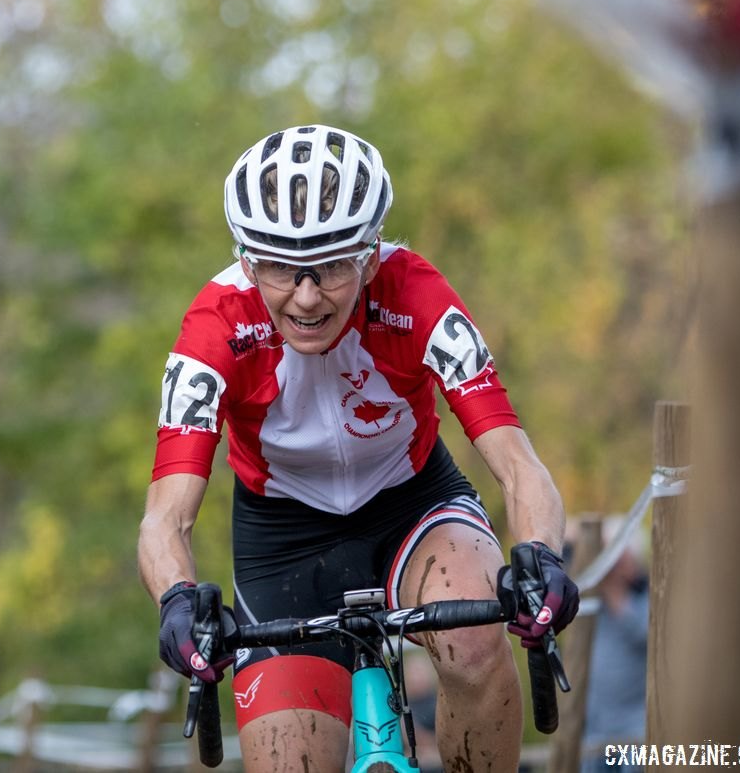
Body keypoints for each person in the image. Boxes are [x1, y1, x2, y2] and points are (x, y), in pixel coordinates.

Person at [137, 124, 580, 772]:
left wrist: (540, 553)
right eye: (283, 267)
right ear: (248, 259)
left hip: (414, 506)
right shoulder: (217, 325)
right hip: (283, 540)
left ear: (372, 255)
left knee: (478, 641)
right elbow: (164, 515)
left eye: (333, 265)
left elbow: (517, 459)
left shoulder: (415, 293)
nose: (308, 295)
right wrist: (176, 599)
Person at [579, 515, 649, 772]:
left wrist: (618, 596)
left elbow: (646, 634)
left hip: (635, 725)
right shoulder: (591, 596)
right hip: (597, 724)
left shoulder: (649, 592)